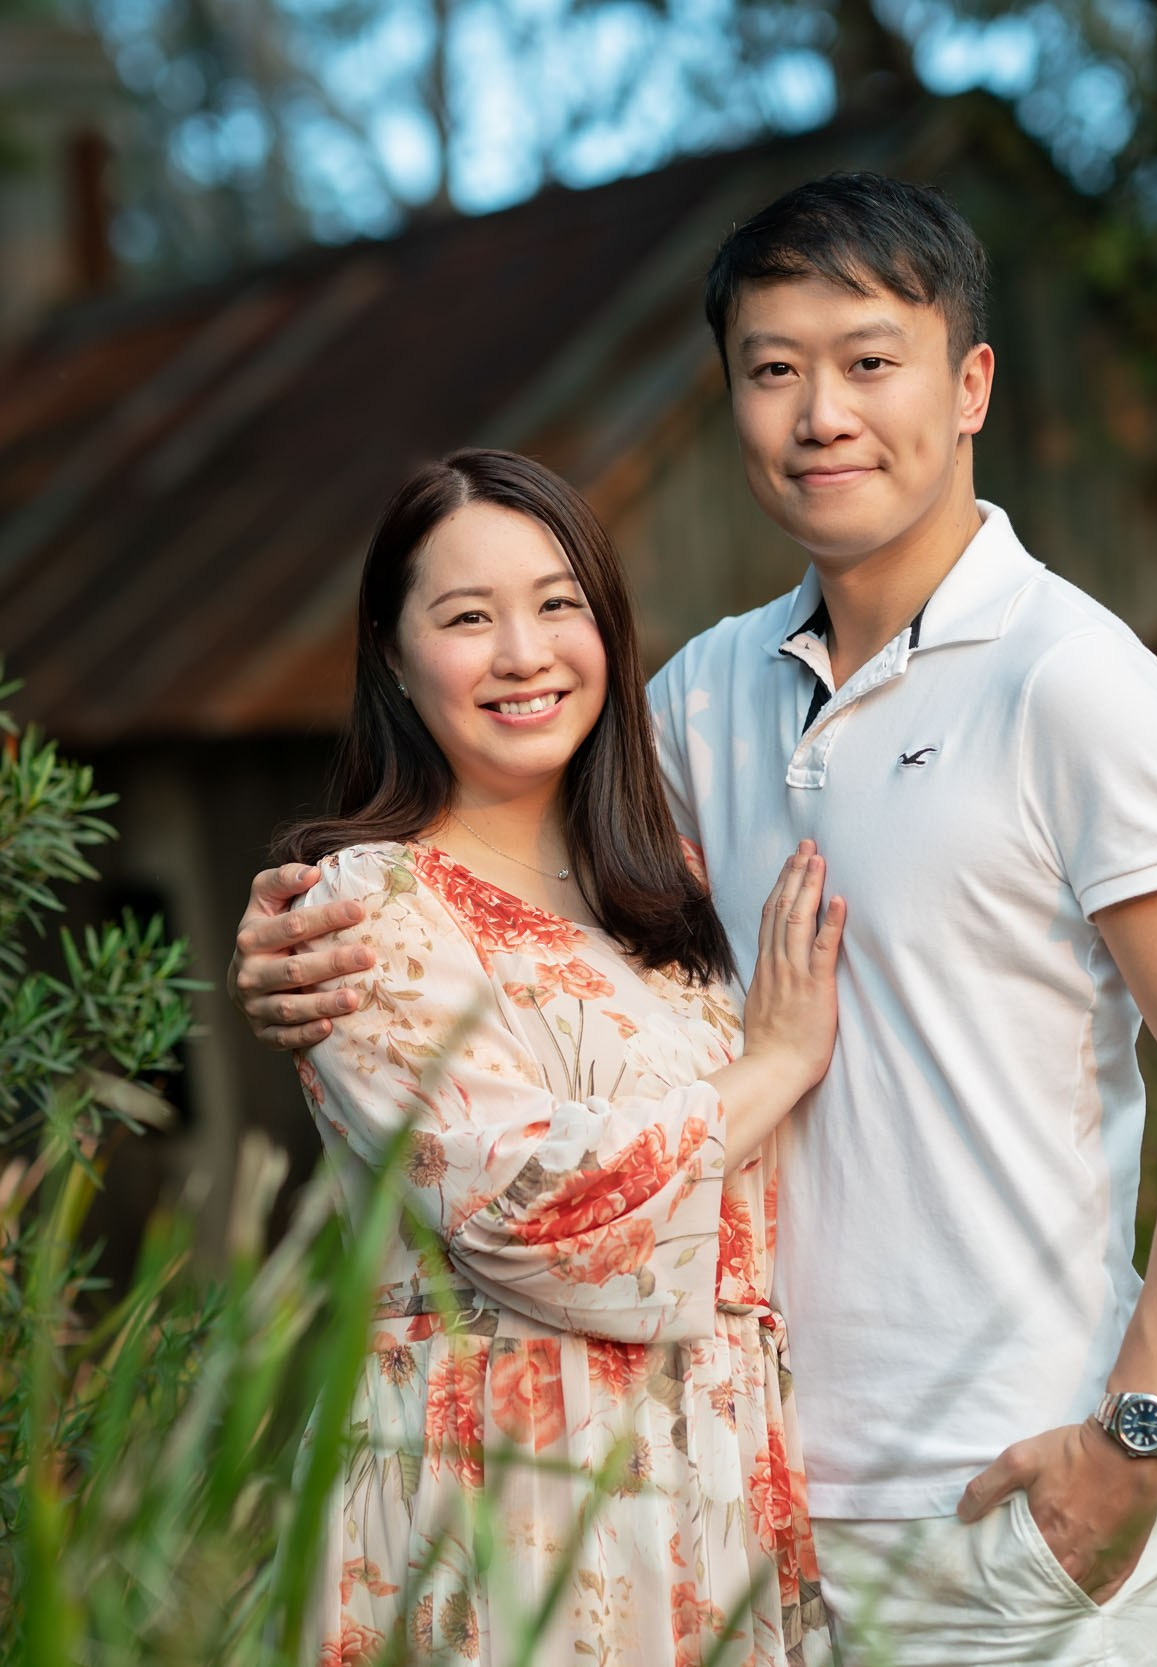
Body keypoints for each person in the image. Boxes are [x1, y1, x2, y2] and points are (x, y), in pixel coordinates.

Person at [239, 176, 1157, 1666]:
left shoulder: (1073, 682)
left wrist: (1129, 1445)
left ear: (972, 383)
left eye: (871, 360)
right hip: (757, 1510)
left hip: (1017, 1501)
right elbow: (498, 904)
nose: (823, 412)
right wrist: (294, 920)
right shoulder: (699, 700)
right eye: (773, 368)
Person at [280, 448, 841, 1666]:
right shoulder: (363, 907)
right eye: (467, 617)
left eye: (556, 603)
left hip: (713, 1469)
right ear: (392, 652)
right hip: (508, 1486)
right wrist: (777, 1059)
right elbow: (523, 1201)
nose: (524, 653)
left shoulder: (671, 886)